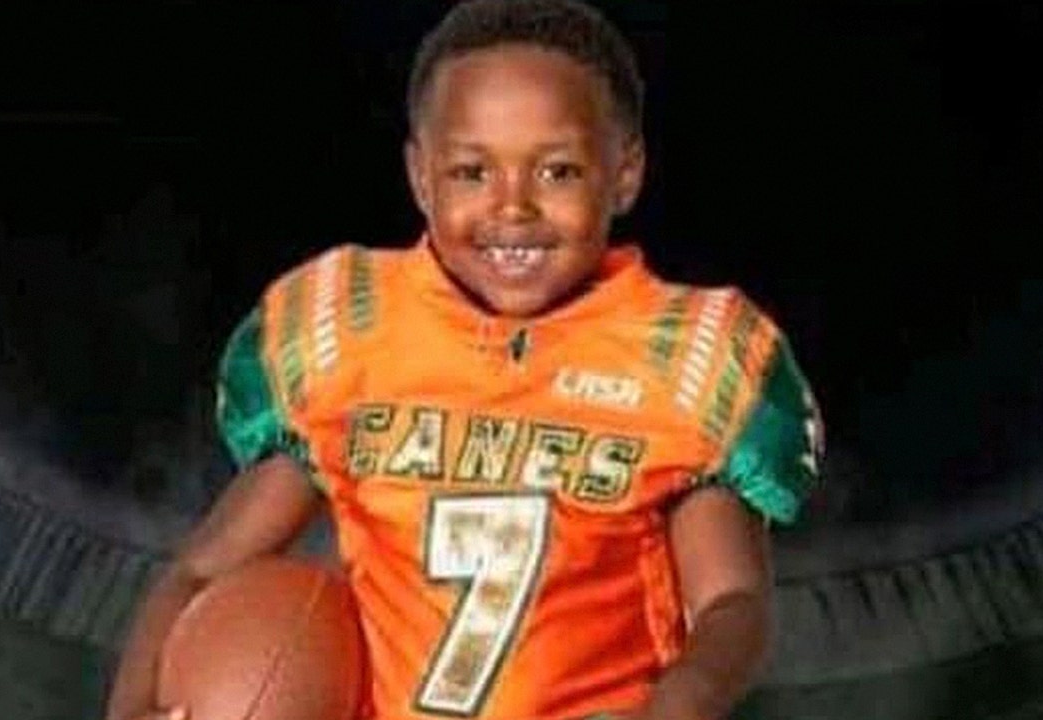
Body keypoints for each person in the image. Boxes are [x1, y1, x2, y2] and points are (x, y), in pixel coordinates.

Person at [105, 1, 823, 718]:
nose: (513, 208)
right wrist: (133, 707)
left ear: (625, 172)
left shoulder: (682, 357)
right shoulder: (351, 335)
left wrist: (684, 698)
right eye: (472, 172)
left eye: (558, 171)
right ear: (421, 176)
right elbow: (202, 567)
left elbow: (732, 599)